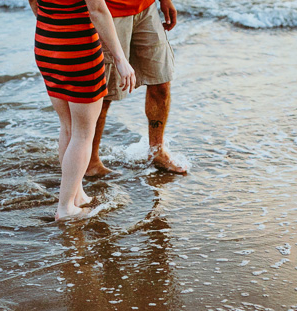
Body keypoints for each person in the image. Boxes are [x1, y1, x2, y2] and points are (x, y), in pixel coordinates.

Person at [30, 0, 137, 221]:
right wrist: (120, 58)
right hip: (79, 49)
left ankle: (75, 195)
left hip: (46, 43)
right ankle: (66, 207)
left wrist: (55, 27)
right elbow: (97, 10)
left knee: (68, 127)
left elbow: (34, 3)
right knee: (82, 134)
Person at [85, 0, 186, 176]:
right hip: (109, 12)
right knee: (104, 90)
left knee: (161, 80)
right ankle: (91, 161)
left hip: (146, 8)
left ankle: (157, 151)